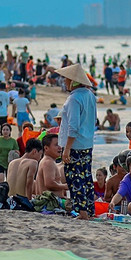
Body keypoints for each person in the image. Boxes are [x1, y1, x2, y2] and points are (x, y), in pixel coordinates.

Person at [55, 63, 97, 220]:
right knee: (86, 177)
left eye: (66, 79)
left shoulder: (74, 99)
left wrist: (67, 149)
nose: (64, 82)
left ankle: (83, 213)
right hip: (87, 143)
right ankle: (89, 210)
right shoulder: (90, 95)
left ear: (73, 81)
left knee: (75, 178)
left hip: (76, 145)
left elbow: (73, 127)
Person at [34, 133, 68, 197]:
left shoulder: (47, 161)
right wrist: (66, 186)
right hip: (50, 204)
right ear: (46, 148)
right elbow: (50, 184)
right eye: (56, 145)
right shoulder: (48, 162)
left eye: (60, 145)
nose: (60, 147)